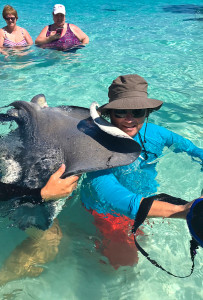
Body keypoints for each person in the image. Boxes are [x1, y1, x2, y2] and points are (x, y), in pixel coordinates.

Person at [79, 74, 203, 268]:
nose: (129, 119)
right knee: (125, 265)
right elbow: (112, 197)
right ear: (109, 114)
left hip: (149, 200)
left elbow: (193, 151)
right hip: (109, 211)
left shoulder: (157, 134)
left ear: (147, 112)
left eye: (137, 111)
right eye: (121, 112)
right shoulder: (97, 146)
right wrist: (184, 210)